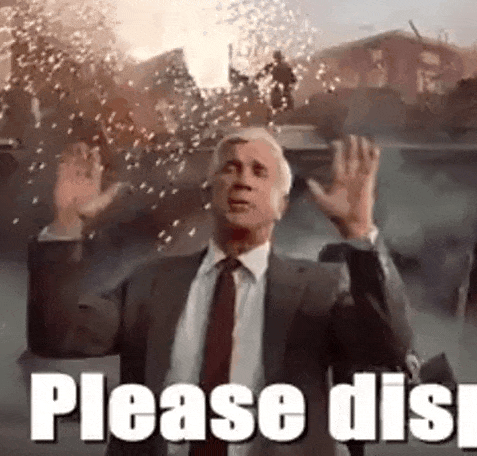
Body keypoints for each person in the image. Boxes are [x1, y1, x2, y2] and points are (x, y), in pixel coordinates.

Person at [27, 129, 415, 456]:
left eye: (259, 171)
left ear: (281, 204)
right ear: (210, 191)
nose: (242, 180)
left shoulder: (320, 288)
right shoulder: (151, 281)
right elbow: (56, 336)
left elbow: (388, 346)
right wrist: (66, 225)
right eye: (230, 168)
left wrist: (359, 233)